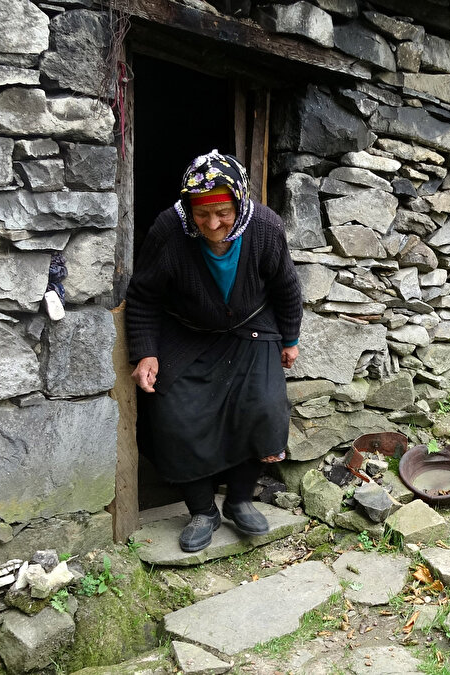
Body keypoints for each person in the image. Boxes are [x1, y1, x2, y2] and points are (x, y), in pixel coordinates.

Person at [126, 150, 303, 553]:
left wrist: (290, 338)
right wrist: (146, 351)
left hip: (253, 328)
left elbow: (286, 287)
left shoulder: (265, 227)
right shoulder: (170, 229)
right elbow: (143, 296)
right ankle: (204, 511)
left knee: (263, 408)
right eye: (202, 213)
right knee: (175, 417)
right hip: (185, 332)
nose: (212, 224)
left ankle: (240, 498)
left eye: (222, 212)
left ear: (239, 201)